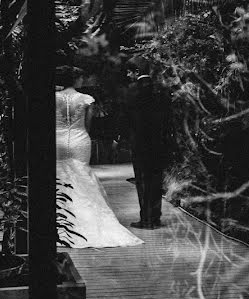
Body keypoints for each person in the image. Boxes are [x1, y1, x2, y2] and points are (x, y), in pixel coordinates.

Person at [55, 66, 143, 248]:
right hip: (80, 140)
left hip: (59, 139)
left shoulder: (53, 99)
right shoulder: (86, 99)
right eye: (80, 77)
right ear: (75, 79)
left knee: (60, 176)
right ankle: (86, 220)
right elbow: (87, 125)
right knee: (81, 176)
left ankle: (62, 222)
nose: (83, 80)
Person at [125, 57, 169, 230]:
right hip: (158, 142)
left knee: (142, 180)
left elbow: (128, 119)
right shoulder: (160, 89)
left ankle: (146, 219)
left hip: (140, 143)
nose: (128, 75)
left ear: (136, 72)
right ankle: (156, 217)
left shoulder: (132, 90)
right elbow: (167, 117)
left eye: (129, 72)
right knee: (156, 179)